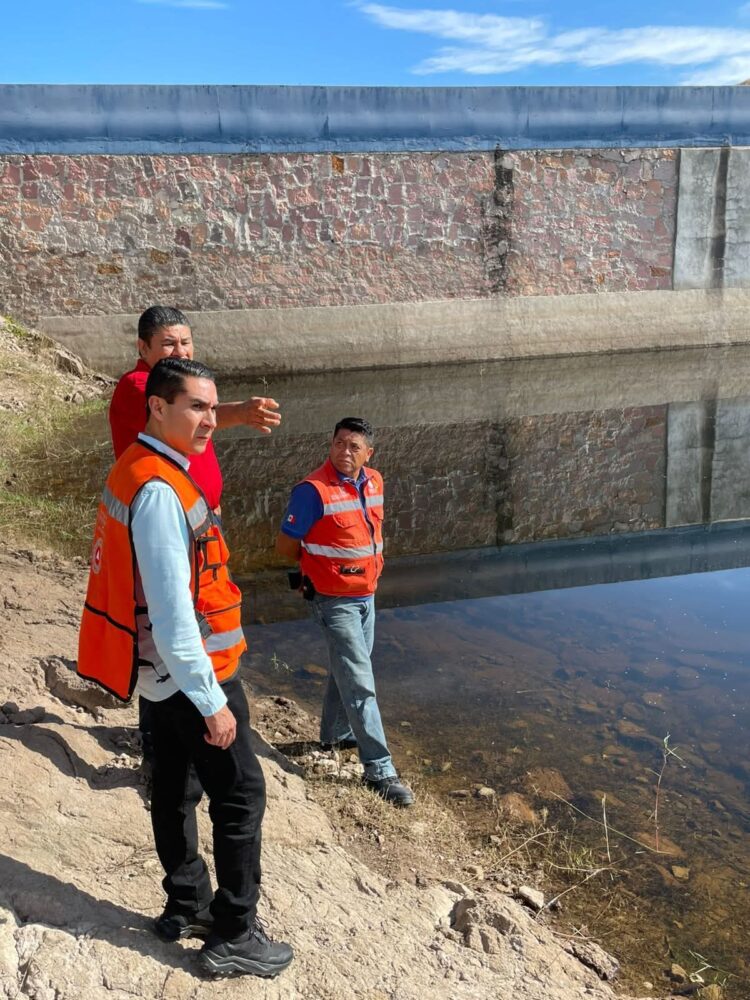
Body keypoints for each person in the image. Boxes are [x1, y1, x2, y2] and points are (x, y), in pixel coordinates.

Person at [78, 357, 293, 978]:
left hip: (152, 675)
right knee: (240, 797)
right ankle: (233, 934)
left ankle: (186, 907)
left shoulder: (137, 471)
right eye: (195, 407)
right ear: (158, 407)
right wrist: (212, 700)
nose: (208, 420)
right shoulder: (159, 493)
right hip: (191, 675)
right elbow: (175, 618)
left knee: (173, 792)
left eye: (211, 407)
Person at [109, 305, 281, 765]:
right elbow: (187, 404)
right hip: (172, 518)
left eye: (185, 342)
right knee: (173, 613)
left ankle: (170, 739)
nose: (179, 350)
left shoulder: (177, 395)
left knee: (195, 606)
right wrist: (236, 412)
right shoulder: (140, 386)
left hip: (197, 517)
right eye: (168, 343)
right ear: (142, 348)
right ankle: (166, 739)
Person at [275, 417, 414, 808]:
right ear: (330, 444)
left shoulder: (375, 482)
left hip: (366, 595)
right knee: (359, 679)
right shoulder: (312, 491)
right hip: (333, 601)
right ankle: (379, 769)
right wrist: (308, 573)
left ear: (369, 453)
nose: (344, 452)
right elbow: (285, 546)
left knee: (351, 668)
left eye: (354, 447)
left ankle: (335, 734)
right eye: (338, 443)